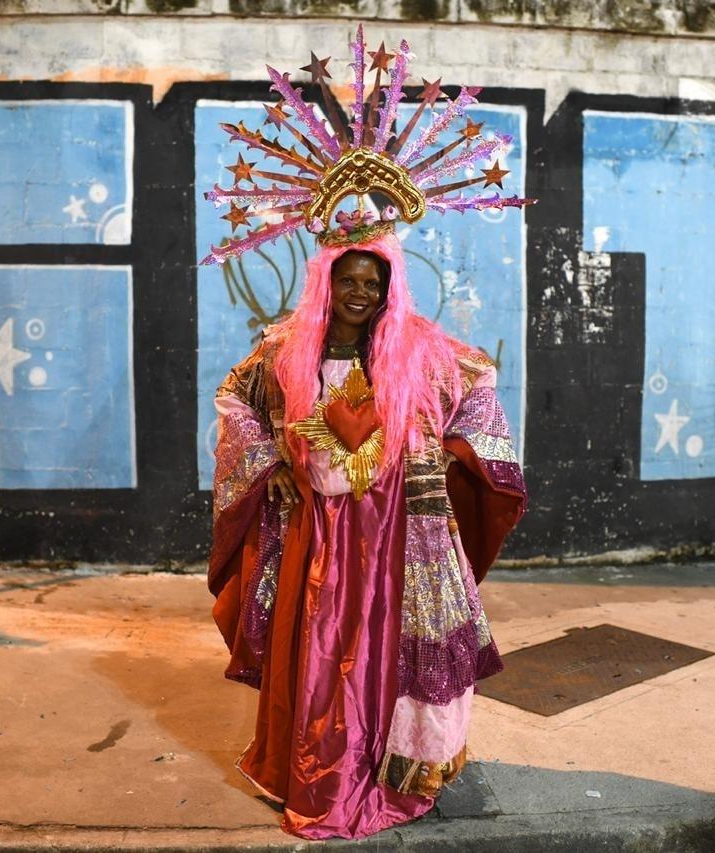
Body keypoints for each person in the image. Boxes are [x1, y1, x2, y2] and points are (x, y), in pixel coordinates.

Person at [207, 224, 527, 839]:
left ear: (388, 290)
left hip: (394, 531)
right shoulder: (285, 349)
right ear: (326, 281)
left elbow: (480, 379)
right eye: (347, 280)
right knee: (322, 650)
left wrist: (443, 449)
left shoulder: (415, 348)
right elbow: (233, 398)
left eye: (372, 284)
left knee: (379, 650)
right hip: (315, 529)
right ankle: (319, 775)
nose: (359, 293)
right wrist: (270, 461)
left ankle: (381, 774)